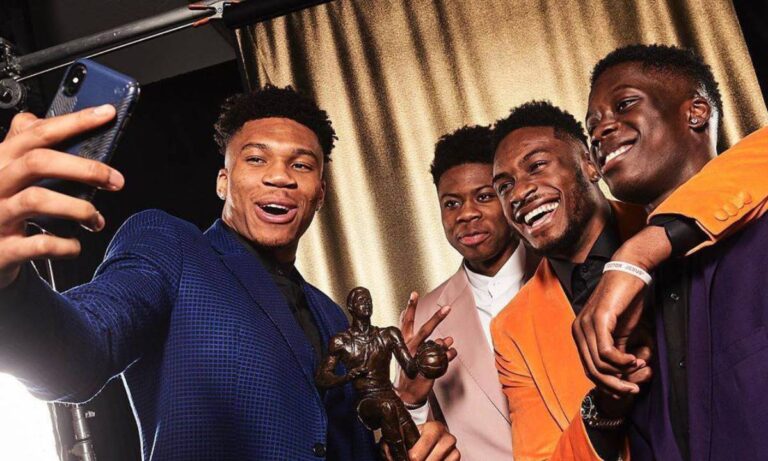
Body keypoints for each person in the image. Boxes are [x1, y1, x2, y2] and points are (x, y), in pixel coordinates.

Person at [0, 85, 456, 461]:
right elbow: (80, 353)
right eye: (256, 159)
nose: (280, 176)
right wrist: (7, 284)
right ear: (223, 181)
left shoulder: (331, 316)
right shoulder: (171, 247)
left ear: (319, 194)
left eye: (301, 165)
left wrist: (403, 442)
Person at [490, 96, 768, 460]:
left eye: (537, 166)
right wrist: (605, 407)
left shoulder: (673, 211)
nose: (519, 193)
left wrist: (637, 255)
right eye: (503, 187)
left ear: (590, 164)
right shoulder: (512, 329)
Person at [574, 44, 768, 460]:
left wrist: (638, 254)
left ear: (696, 112)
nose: (601, 131)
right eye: (592, 127)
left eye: (624, 104)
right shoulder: (632, 306)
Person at [395, 125, 537, 459]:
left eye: (484, 196)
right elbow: (421, 444)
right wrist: (411, 402)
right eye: (451, 203)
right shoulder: (424, 318)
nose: (466, 214)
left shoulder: (563, 273)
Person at [316, 287, 455, 461]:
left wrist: (425, 358)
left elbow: (411, 369)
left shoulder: (388, 334)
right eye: (361, 300)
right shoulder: (342, 341)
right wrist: (347, 377)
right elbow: (322, 378)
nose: (366, 303)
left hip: (390, 397)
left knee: (413, 440)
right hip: (366, 403)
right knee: (387, 407)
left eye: (368, 299)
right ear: (351, 307)